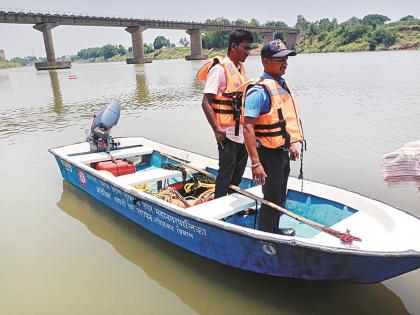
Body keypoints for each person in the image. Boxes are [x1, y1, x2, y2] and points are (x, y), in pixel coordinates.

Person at [242, 40, 304, 236]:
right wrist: (255, 163)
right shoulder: (259, 91)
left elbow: (282, 120)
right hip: (267, 154)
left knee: (280, 193)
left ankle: (273, 228)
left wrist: (290, 143)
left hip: (281, 151)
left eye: (286, 59)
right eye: (279, 59)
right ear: (265, 62)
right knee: (271, 196)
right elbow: (247, 127)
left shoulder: (280, 85)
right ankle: (268, 235)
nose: (285, 63)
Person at [198, 29, 254, 198]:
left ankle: (231, 206)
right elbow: (205, 102)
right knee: (225, 175)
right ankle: (218, 210)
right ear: (234, 46)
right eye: (245, 48)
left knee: (237, 176)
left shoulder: (240, 69)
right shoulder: (219, 69)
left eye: (250, 48)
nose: (249, 52)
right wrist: (216, 129)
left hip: (242, 134)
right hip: (226, 135)